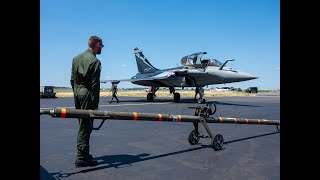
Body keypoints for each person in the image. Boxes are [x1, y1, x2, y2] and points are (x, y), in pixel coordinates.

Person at [70, 35, 104, 167]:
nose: (102, 48)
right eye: (101, 45)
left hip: (77, 92)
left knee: (82, 123)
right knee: (86, 125)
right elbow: (95, 87)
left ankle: (84, 152)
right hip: (86, 94)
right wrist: (95, 106)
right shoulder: (95, 61)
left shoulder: (76, 58)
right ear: (97, 44)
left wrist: (77, 92)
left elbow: (72, 80)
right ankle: (82, 157)